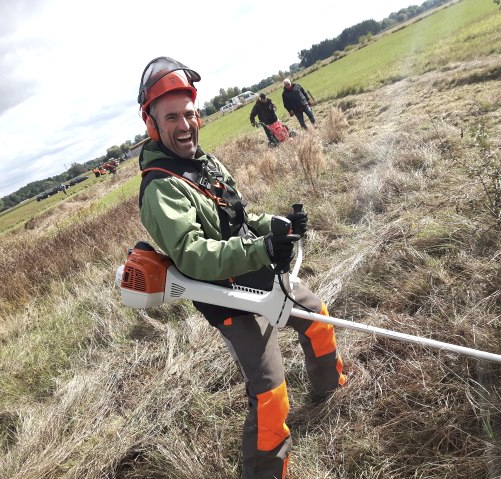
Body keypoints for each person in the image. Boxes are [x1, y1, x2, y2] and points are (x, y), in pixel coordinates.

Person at [136, 57, 346, 479]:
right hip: (224, 297)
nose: (184, 124)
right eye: (172, 117)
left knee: (318, 318)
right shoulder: (160, 187)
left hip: (256, 272)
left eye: (190, 113)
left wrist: (279, 227)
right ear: (153, 124)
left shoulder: (205, 164)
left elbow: (241, 219)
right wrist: (263, 248)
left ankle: (330, 389)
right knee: (270, 390)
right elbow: (195, 256)